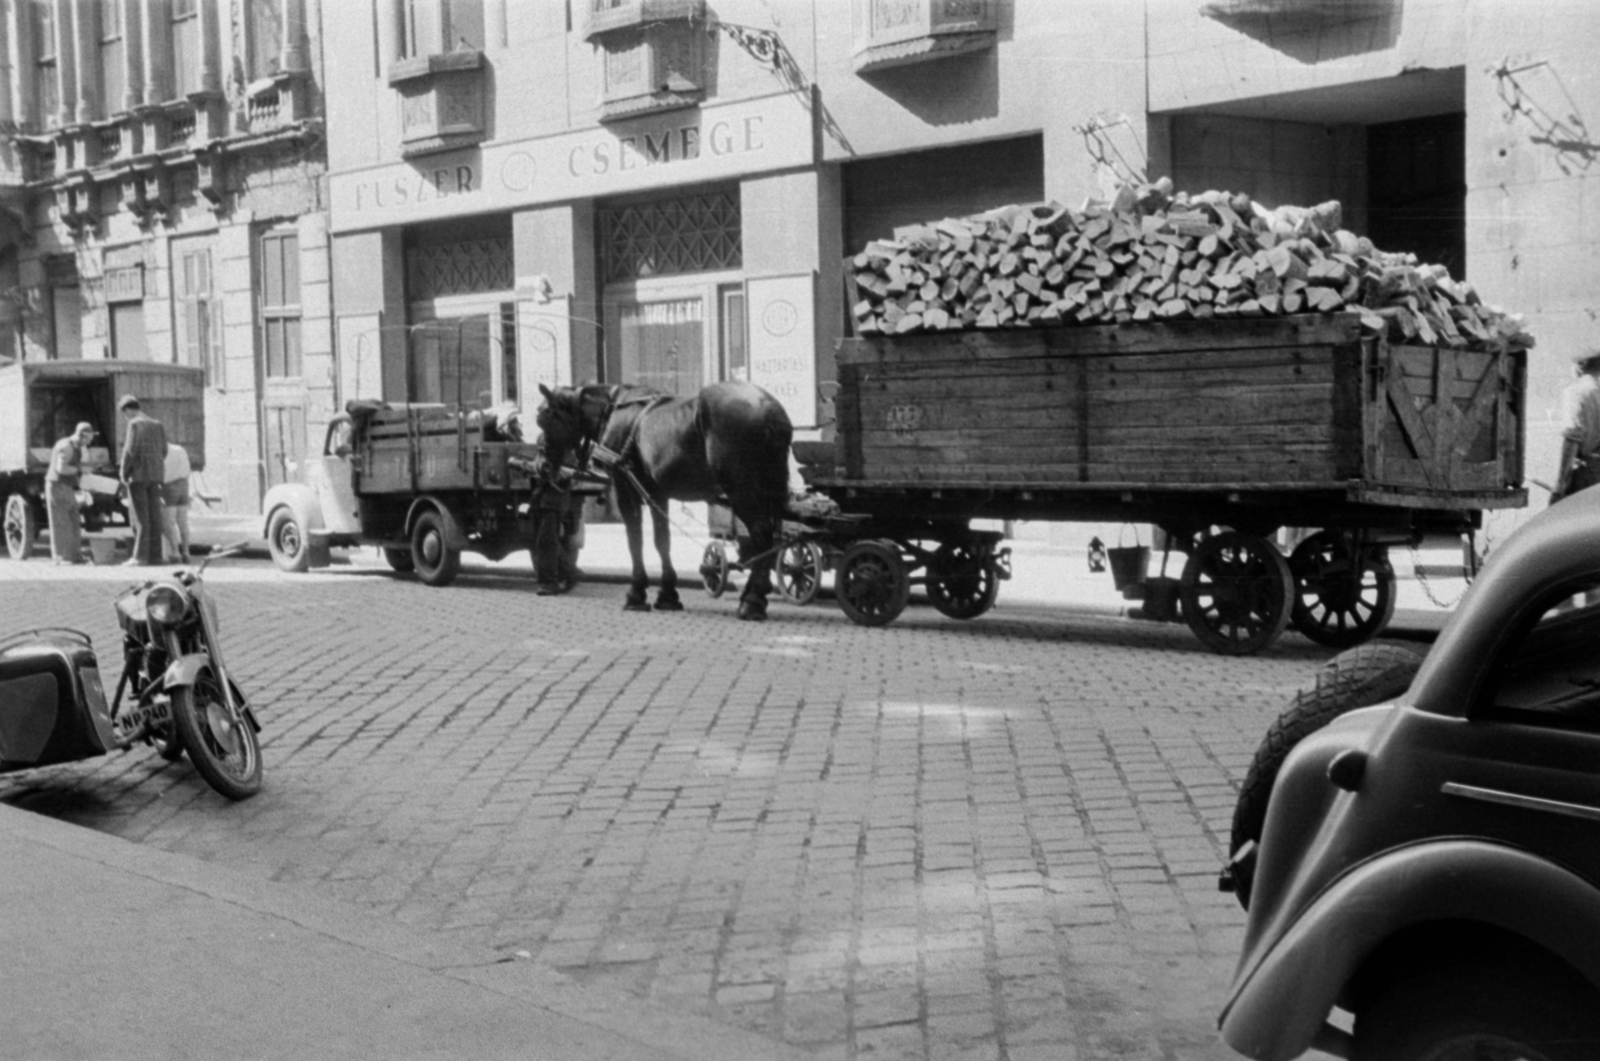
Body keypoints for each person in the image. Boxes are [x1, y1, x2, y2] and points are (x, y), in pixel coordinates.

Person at [117, 395, 168, 565]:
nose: (126, 417)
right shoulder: (158, 424)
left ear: (128, 410)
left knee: (140, 518)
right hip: (156, 476)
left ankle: (139, 557)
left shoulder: (135, 424)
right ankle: (156, 556)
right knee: (155, 517)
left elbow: (130, 450)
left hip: (138, 476)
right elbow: (164, 451)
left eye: (125, 413)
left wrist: (124, 473)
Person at [1553, 348, 1600, 503]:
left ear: (1579, 367)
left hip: (1587, 474)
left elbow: (1572, 438)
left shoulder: (1576, 392)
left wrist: (1560, 485)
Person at [45, 422, 95, 565]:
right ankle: (61, 557)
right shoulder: (65, 446)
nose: (90, 442)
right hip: (57, 485)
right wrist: (80, 470)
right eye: (88, 438)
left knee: (74, 520)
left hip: (66, 487)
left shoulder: (77, 446)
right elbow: (61, 469)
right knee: (62, 522)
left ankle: (74, 556)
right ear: (82, 435)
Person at [161, 441, 193, 562]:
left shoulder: (162, 452)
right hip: (184, 485)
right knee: (183, 522)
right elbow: (187, 468)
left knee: (169, 523)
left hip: (169, 486)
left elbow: (162, 472)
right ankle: (186, 551)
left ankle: (175, 552)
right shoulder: (180, 449)